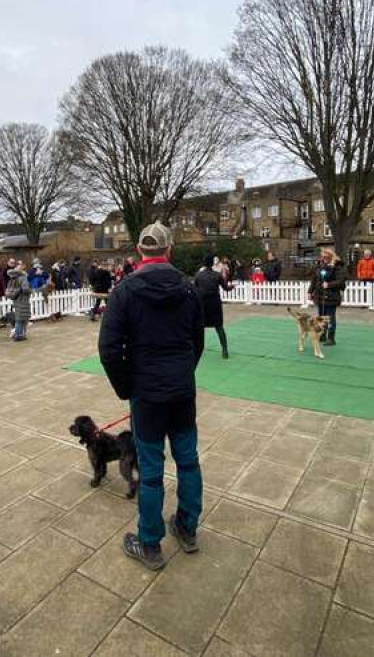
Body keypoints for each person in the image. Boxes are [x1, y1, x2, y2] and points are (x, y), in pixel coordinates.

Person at [99, 221, 204, 570]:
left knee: (152, 468)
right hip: (180, 389)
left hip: (147, 392)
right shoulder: (188, 290)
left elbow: (110, 349)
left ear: (141, 252)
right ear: (169, 250)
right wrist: (183, 373)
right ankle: (187, 526)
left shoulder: (124, 291)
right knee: (187, 460)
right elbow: (197, 341)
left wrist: (127, 386)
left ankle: (150, 543)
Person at [195, 254, 233, 359]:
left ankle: (198, 349)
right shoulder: (217, 275)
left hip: (202, 304)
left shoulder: (198, 275)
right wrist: (232, 286)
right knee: (219, 327)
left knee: (200, 328)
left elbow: (195, 289)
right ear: (212, 263)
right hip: (215, 304)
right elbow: (226, 288)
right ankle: (225, 350)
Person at [308, 248, 346, 346]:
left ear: (330, 256)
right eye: (323, 257)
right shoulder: (319, 266)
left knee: (330, 318)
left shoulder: (337, 266)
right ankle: (323, 334)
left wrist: (329, 285)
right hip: (320, 296)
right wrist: (310, 291)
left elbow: (341, 281)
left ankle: (331, 338)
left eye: (326, 257)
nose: (323, 259)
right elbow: (314, 280)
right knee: (321, 317)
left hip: (331, 296)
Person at [6, 262, 32, 341]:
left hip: (16, 300)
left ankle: (18, 334)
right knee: (23, 318)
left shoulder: (12, 278)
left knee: (18, 317)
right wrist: (30, 290)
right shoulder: (23, 277)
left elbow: (9, 291)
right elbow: (25, 289)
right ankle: (19, 335)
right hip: (23, 300)